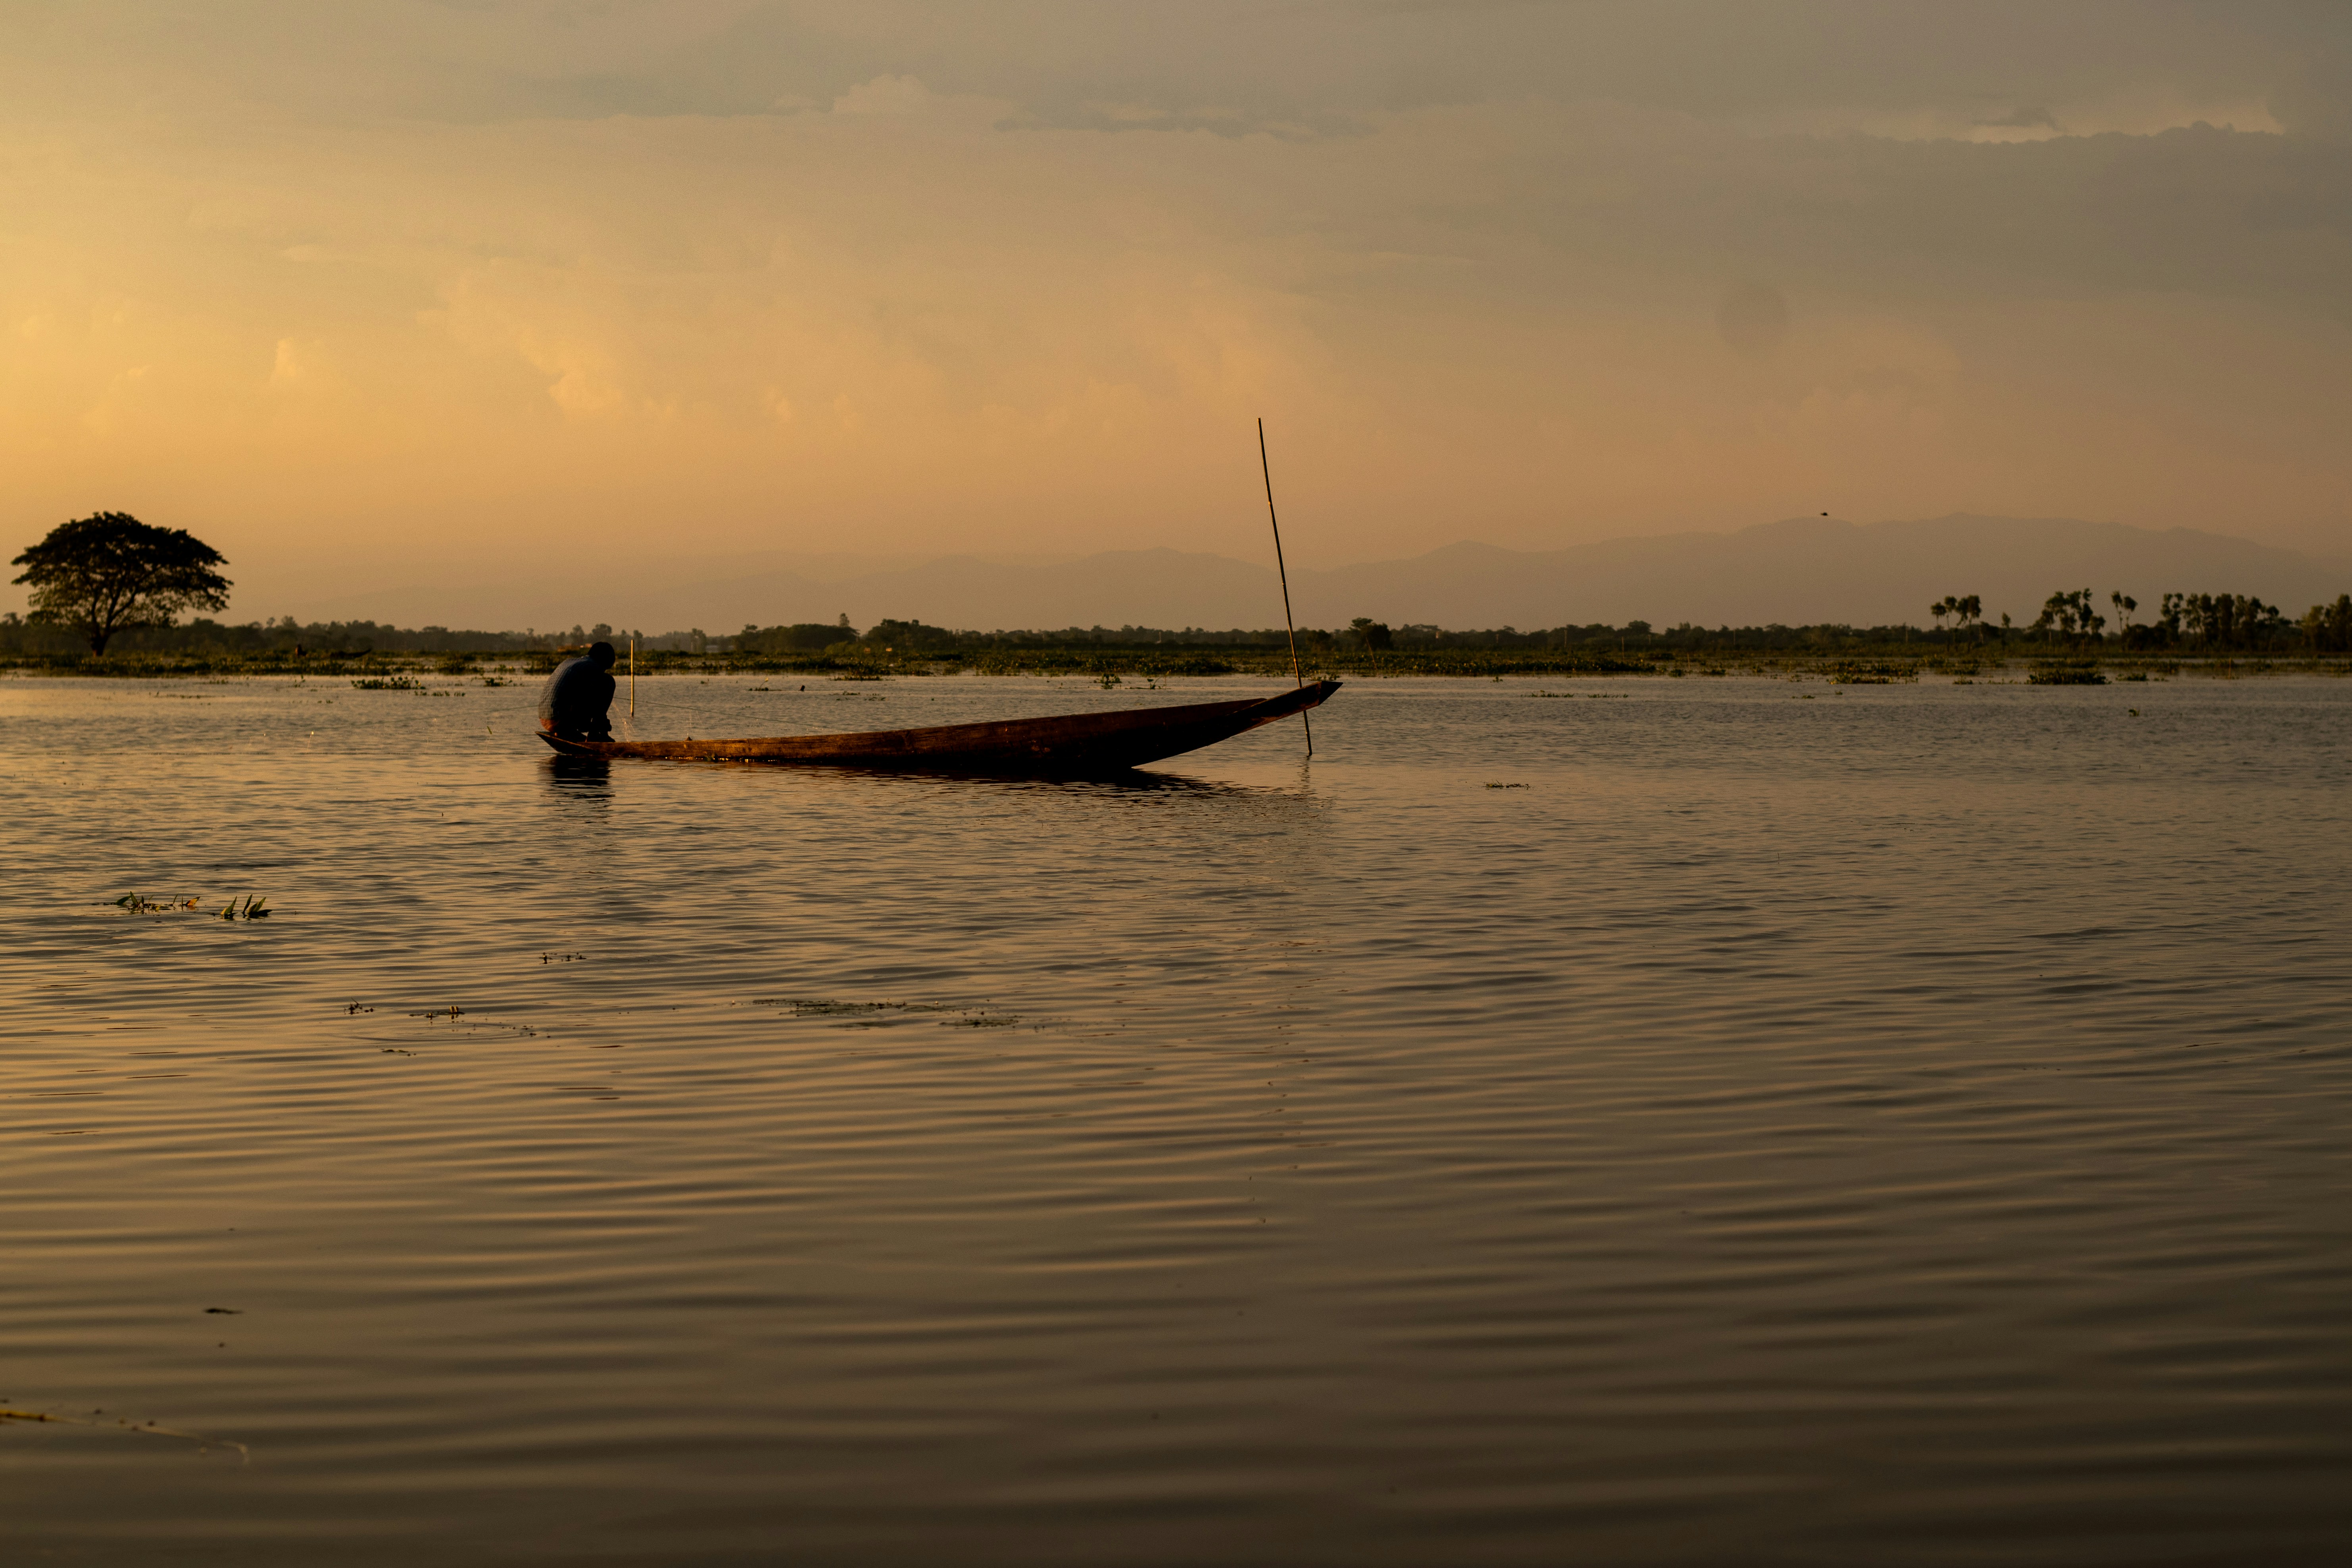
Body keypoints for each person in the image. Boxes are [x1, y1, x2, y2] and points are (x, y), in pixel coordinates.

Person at [538, 641, 617, 740]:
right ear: (603, 660)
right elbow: (598, 701)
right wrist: (601, 727)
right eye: (605, 668)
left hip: (545, 719)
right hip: (559, 719)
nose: (604, 670)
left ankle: (565, 732)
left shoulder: (569, 662)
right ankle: (595, 735)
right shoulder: (593, 667)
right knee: (608, 681)